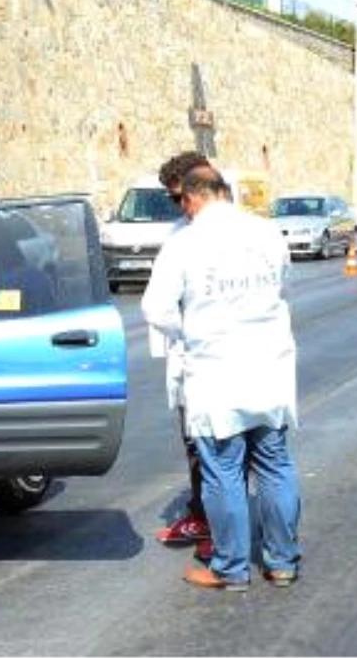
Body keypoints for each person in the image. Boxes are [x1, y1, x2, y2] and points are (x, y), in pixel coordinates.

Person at [142, 166, 301, 591]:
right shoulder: (268, 233)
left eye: (182, 202)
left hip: (216, 372)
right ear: (223, 192)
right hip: (269, 365)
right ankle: (282, 561)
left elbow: (156, 309)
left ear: (193, 198)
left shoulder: (184, 243)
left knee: (223, 470)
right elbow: (285, 285)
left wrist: (191, 331)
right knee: (274, 464)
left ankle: (231, 568)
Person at [150, 151, 216, 562]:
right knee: (196, 445)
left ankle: (223, 530)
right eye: (172, 199)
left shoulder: (240, 232)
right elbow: (159, 304)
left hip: (227, 359)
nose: (179, 207)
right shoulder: (177, 236)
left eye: (181, 197)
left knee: (226, 452)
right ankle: (202, 515)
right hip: (190, 359)